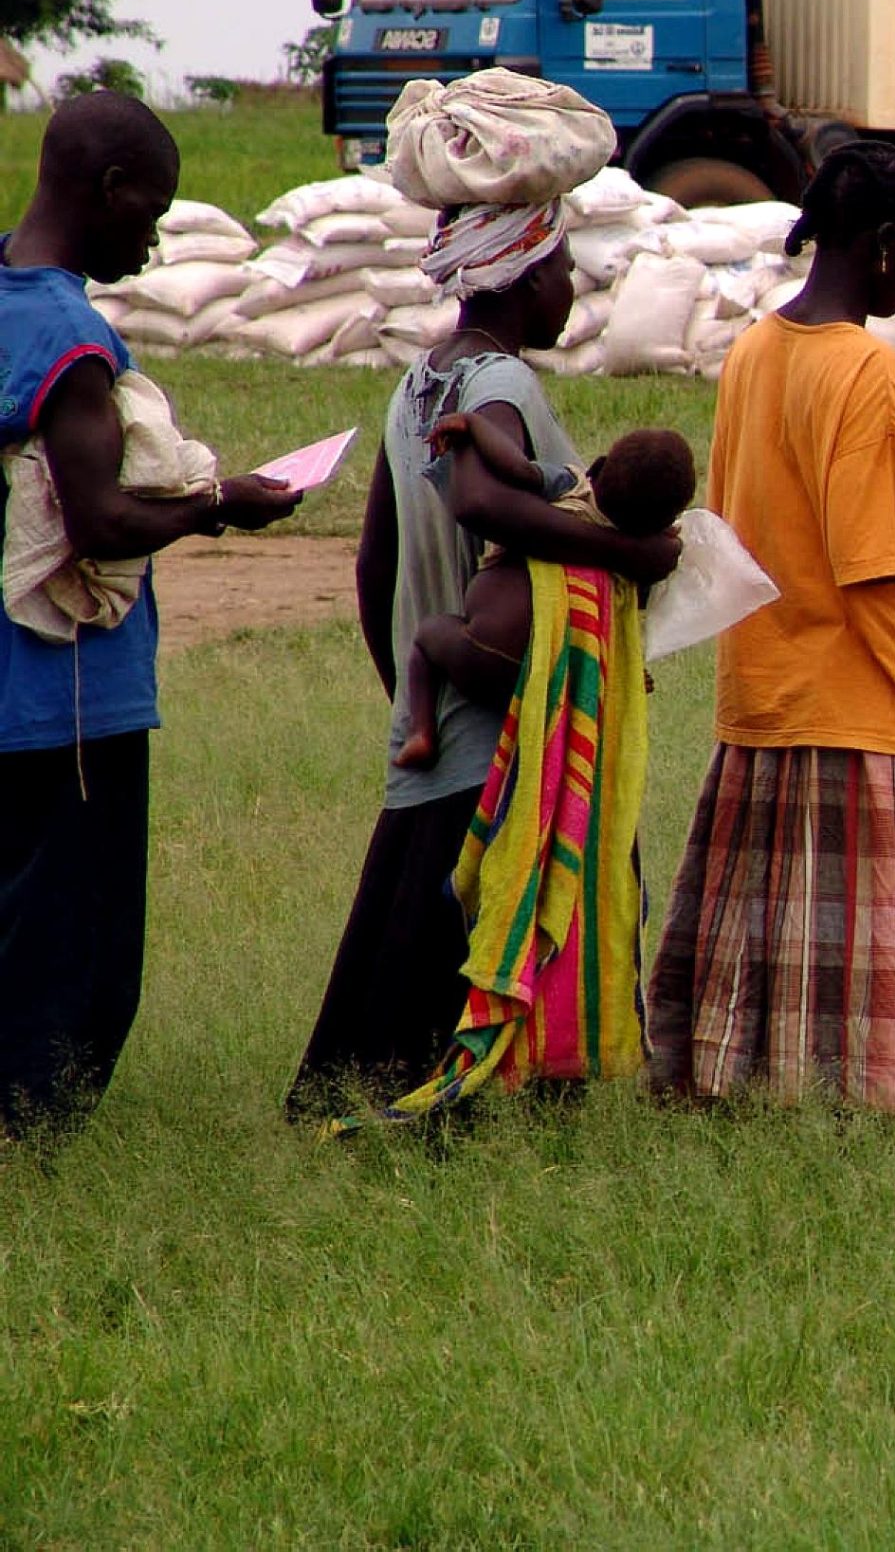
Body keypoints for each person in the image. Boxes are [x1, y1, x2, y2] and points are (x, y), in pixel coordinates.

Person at [645, 140, 895, 1127]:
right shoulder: (863, 367)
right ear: (878, 244)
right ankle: (878, 1106)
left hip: (774, 682)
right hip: (871, 692)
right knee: (869, 945)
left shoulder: (755, 348)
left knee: (774, 937)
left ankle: (752, 1093)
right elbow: (874, 552)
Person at [290, 133, 678, 1116]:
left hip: (443, 727)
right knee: (504, 940)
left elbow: (375, 559)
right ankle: (488, 1113)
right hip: (512, 730)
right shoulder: (501, 385)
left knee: (396, 972)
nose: (571, 291)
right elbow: (482, 504)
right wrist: (631, 557)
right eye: (557, 269)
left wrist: (408, 692)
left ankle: (380, 1107)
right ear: (516, 275)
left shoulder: (415, 384)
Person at [0, 92, 301, 1134]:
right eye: (152, 211)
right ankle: (33, 1133)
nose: (156, 235)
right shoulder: (70, 337)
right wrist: (222, 504)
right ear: (110, 189)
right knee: (69, 937)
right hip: (66, 693)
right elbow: (99, 521)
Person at [395, 416, 696, 768]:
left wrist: (475, 426)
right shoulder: (640, 559)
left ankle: (421, 730)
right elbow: (627, 624)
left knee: (427, 636)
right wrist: (628, 669)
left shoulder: (569, 486)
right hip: (557, 678)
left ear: (598, 467)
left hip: (484, 649)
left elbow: (517, 468)